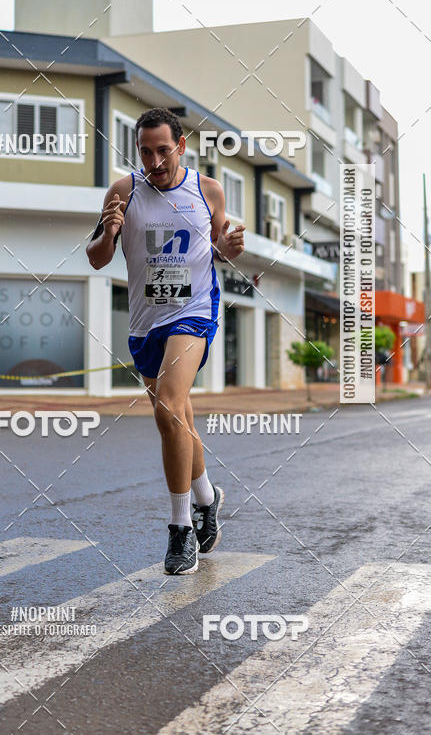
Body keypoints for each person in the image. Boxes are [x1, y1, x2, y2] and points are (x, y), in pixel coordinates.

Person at [86, 108, 245, 574]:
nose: (154, 159)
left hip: (193, 311)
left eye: (163, 150)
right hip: (145, 321)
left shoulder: (206, 189)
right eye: (145, 151)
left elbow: (216, 249)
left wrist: (228, 250)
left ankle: (181, 531)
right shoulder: (123, 190)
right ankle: (207, 495)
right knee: (178, 417)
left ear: (180, 145)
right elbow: (97, 258)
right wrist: (110, 230)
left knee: (169, 408)